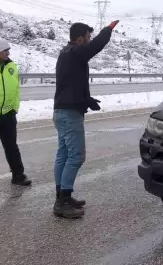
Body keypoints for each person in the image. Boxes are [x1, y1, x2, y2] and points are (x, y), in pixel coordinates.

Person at [53, 20, 118, 219]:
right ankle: (63, 202)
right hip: (69, 114)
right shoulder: (75, 51)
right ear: (80, 38)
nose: (89, 40)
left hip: (62, 110)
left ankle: (62, 197)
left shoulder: (67, 53)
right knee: (76, 157)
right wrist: (107, 30)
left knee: (63, 155)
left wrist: (87, 100)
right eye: (88, 37)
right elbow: (95, 47)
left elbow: (70, 83)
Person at [0, 37, 31, 186]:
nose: (7, 53)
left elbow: (16, 89)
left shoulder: (11, 66)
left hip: (8, 114)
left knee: (11, 146)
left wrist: (14, 108)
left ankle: (18, 175)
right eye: (5, 50)